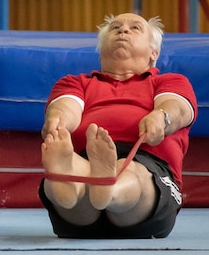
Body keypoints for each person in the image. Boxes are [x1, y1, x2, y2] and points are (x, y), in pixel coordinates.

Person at [39, 13, 197, 238]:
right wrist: (57, 123)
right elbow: (66, 107)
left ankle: (106, 185)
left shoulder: (169, 81)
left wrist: (161, 118)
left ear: (154, 52)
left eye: (135, 28)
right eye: (115, 28)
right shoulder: (75, 83)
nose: (123, 31)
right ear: (101, 51)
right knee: (78, 164)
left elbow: (177, 107)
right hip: (88, 157)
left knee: (132, 170)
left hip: (147, 165)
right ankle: (72, 179)